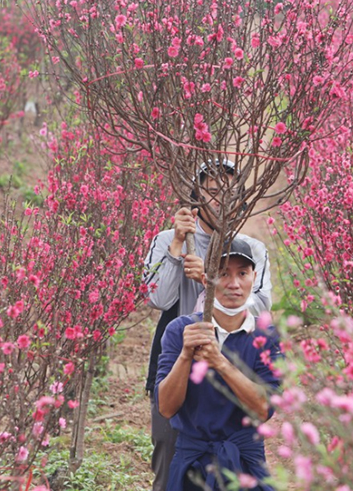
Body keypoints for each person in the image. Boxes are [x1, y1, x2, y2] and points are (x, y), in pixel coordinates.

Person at [143, 159, 272, 491]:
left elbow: (260, 304)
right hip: (177, 360)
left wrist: (210, 281)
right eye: (212, 192)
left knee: (236, 467)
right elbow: (158, 299)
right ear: (196, 195)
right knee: (171, 463)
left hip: (233, 359)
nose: (219, 201)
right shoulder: (169, 240)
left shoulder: (252, 250)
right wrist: (175, 248)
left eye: (228, 193)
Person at [156, 238, 282, 491]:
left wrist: (220, 363)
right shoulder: (180, 330)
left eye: (242, 273)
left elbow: (263, 409)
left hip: (245, 464)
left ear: (254, 277)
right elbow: (167, 408)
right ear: (206, 280)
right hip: (193, 464)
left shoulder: (266, 336)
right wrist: (185, 356)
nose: (234, 284)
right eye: (223, 274)